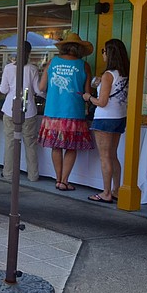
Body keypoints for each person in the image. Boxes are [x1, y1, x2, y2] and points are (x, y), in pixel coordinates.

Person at [38, 33, 95, 191]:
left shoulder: (52, 62)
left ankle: (57, 179)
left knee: (56, 146)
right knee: (71, 147)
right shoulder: (84, 66)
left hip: (53, 111)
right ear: (79, 49)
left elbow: (41, 88)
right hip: (74, 112)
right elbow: (87, 92)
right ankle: (64, 180)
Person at [83, 39, 130, 203]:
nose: (102, 53)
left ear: (109, 53)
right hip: (120, 116)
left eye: (104, 51)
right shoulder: (125, 73)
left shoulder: (108, 75)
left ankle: (106, 193)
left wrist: (88, 97)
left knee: (104, 157)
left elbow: (102, 102)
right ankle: (117, 190)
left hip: (105, 118)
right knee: (113, 155)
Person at [0, 41, 43, 182]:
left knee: (10, 142)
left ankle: (8, 173)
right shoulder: (32, 69)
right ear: (29, 52)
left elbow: (3, 90)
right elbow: (38, 90)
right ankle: (33, 175)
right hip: (29, 109)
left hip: (10, 108)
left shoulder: (8, 68)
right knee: (30, 144)